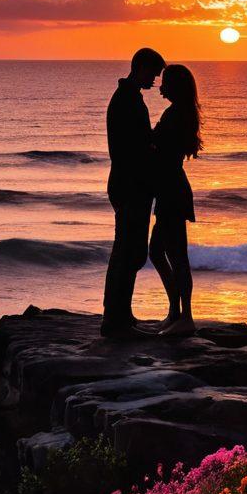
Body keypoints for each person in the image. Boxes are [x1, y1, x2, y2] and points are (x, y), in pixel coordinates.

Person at [102, 47, 166, 337]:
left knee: (131, 251)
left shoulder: (129, 98)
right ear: (139, 67)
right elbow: (132, 147)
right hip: (130, 183)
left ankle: (120, 313)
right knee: (128, 251)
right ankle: (115, 319)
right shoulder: (126, 100)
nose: (155, 79)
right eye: (152, 72)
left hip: (129, 182)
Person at [148, 64, 202, 335]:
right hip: (168, 189)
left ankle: (186, 318)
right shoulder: (178, 112)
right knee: (157, 252)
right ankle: (175, 311)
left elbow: (161, 149)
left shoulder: (177, 114)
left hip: (172, 190)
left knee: (177, 255)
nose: (160, 86)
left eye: (165, 82)